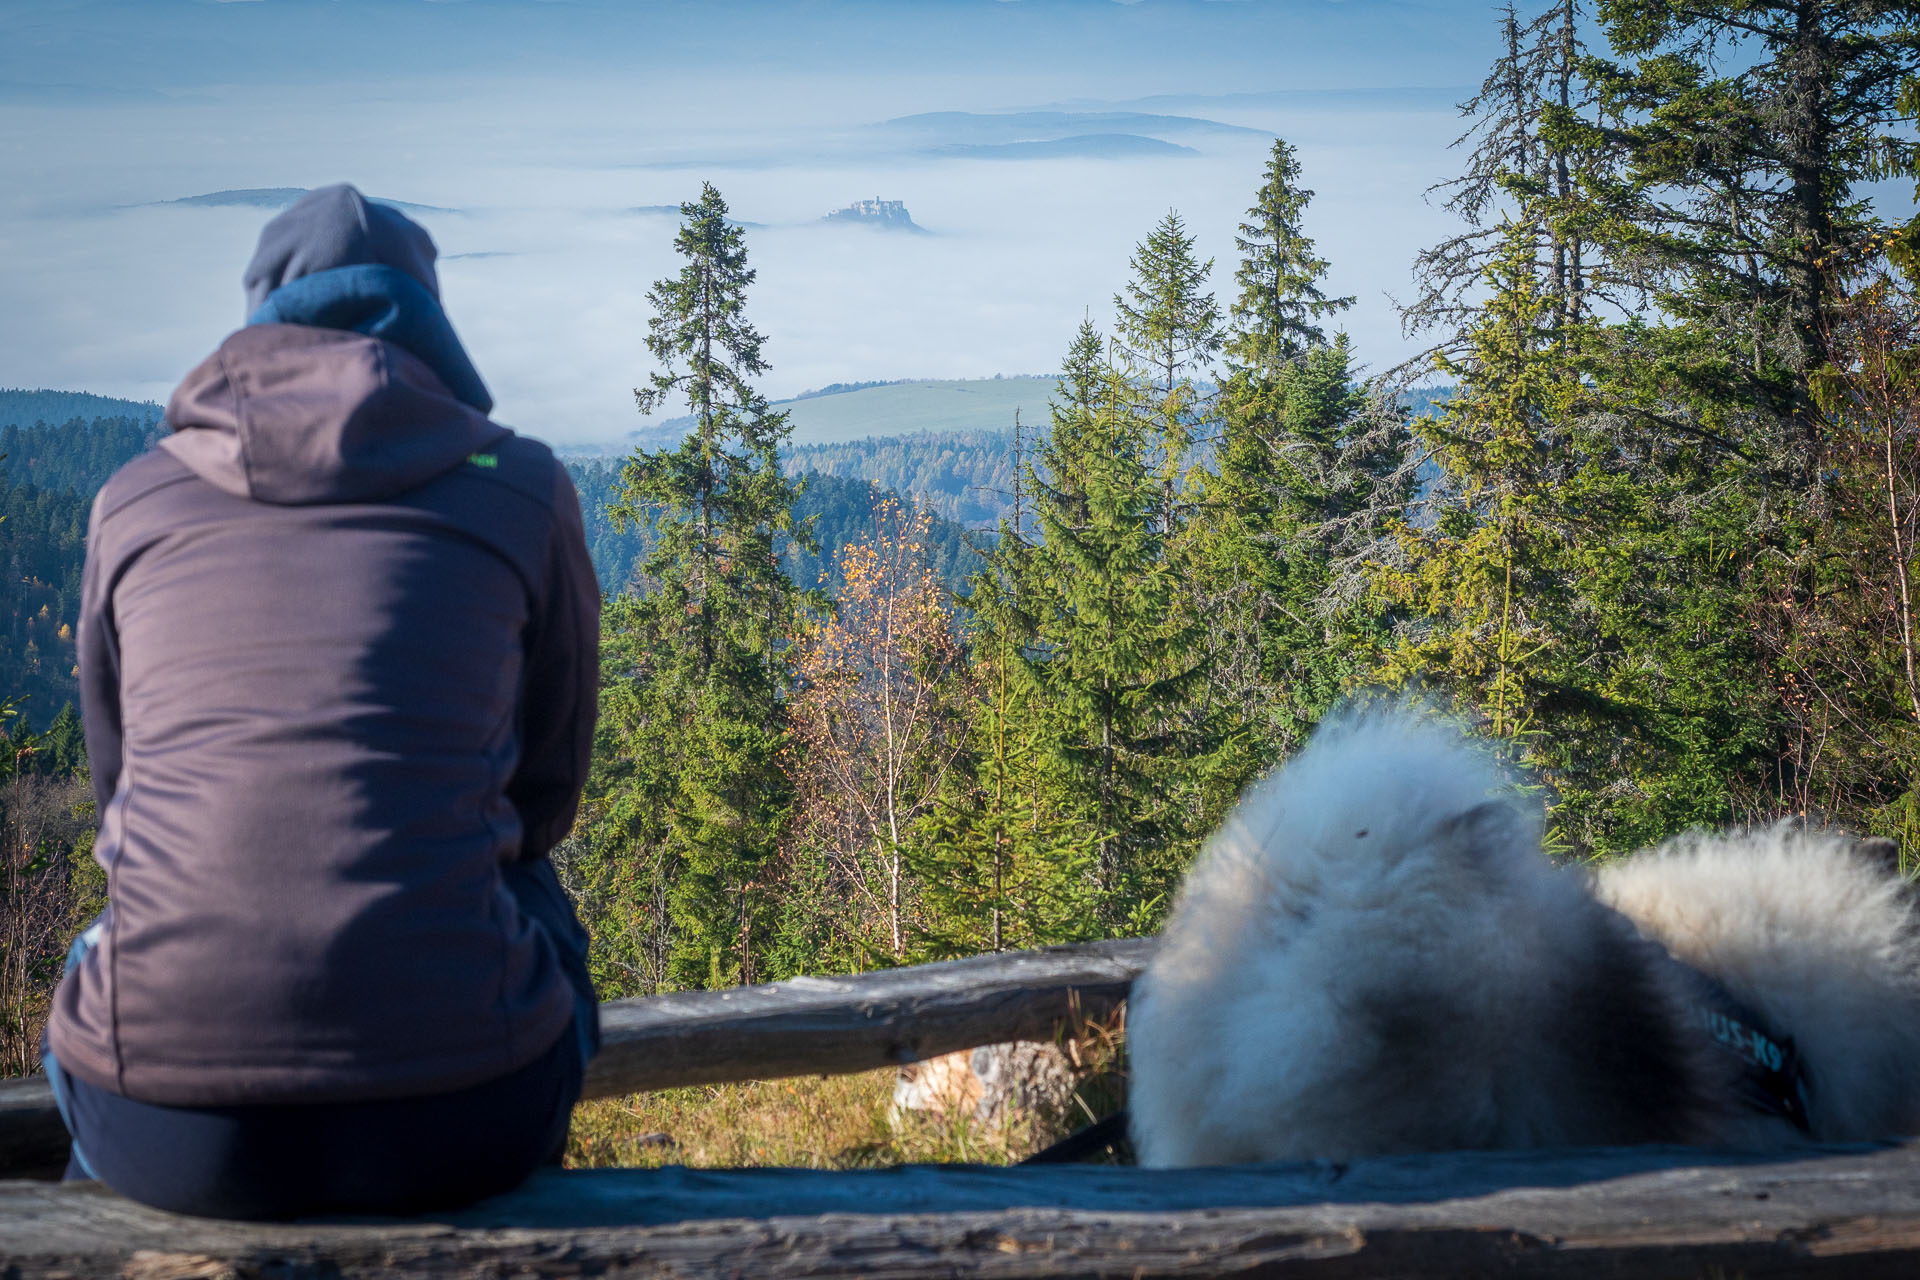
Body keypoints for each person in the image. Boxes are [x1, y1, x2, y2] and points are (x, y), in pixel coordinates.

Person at [40, 184, 602, 1220]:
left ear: (259, 321)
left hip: (167, 1124)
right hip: (463, 1114)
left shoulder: (136, 503)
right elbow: (545, 797)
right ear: (430, 323)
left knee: (112, 934)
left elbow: (123, 796)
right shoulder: (521, 486)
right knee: (538, 905)